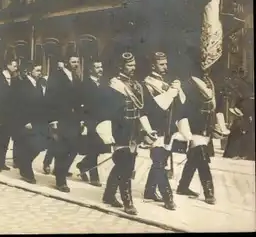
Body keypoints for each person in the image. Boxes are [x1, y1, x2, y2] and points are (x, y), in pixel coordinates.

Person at [98, 52, 157, 215]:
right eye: (129, 65)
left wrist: (147, 129)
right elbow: (106, 111)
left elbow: (141, 110)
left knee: (125, 165)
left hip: (133, 130)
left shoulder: (137, 85)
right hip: (119, 130)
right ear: (121, 66)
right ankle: (127, 201)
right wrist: (106, 132)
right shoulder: (113, 85)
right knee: (125, 166)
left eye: (133, 65)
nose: (133, 68)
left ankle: (109, 195)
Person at [176, 65, 229, 205]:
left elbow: (218, 108)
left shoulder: (211, 83)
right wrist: (186, 132)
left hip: (207, 127)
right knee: (202, 157)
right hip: (194, 127)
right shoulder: (188, 85)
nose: (206, 69)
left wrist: (221, 126)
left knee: (195, 157)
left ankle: (182, 186)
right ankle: (209, 192)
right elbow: (181, 110)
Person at [142, 52, 185, 211]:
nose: (165, 67)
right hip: (154, 128)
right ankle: (168, 197)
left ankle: (149, 191)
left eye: (166, 64)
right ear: (153, 66)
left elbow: (181, 103)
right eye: (162, 64)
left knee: (161, 161)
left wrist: (178, 90)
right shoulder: (147, 83)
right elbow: (159, 106)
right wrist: (172, 91)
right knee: (159, 163)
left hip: (167, 128)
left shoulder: (166, 82)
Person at [45, 53, 83, 192]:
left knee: (73, 149)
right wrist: (52, 121)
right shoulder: (56, 77)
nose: (76, 64)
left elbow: (79, 100)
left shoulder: (76, 78)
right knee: (61, 149)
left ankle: (60, 171)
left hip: (73, 120)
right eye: (73, 61)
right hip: (60, 119)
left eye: (77, 61)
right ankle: (61, 181)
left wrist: (81, 118)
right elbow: (50, 99)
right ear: (66, 62)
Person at [16, 61, 50, 184]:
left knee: (38, 146)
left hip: (38, 121)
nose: (40, 73)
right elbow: (19, 105)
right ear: (30, 71)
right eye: (37, 70)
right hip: (28, 122)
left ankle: (24, 166)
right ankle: (26, 170)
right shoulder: (24, 84)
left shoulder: (38, 84)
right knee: (31, 146)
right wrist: (25, 121)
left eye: (40, 70)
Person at [77, 57, 109, 187]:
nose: (100, 69)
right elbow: (81, 103)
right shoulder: (85, 84)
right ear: (91, 70)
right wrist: (82, 120)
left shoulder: (103, 84)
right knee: (93, 148)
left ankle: (83, 165)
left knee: (98, 148)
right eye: (97, 67)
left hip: (101, 120)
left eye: (101, 67)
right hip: (89, 120)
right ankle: (94, 177)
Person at [0, 58, 20, 173]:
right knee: (0, 140)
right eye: (14, 65)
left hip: (10, 115)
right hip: (0, 114)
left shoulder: (13, 79)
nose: (16, 68)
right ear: (8, 65)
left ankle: (2, 163)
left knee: (6, 140)